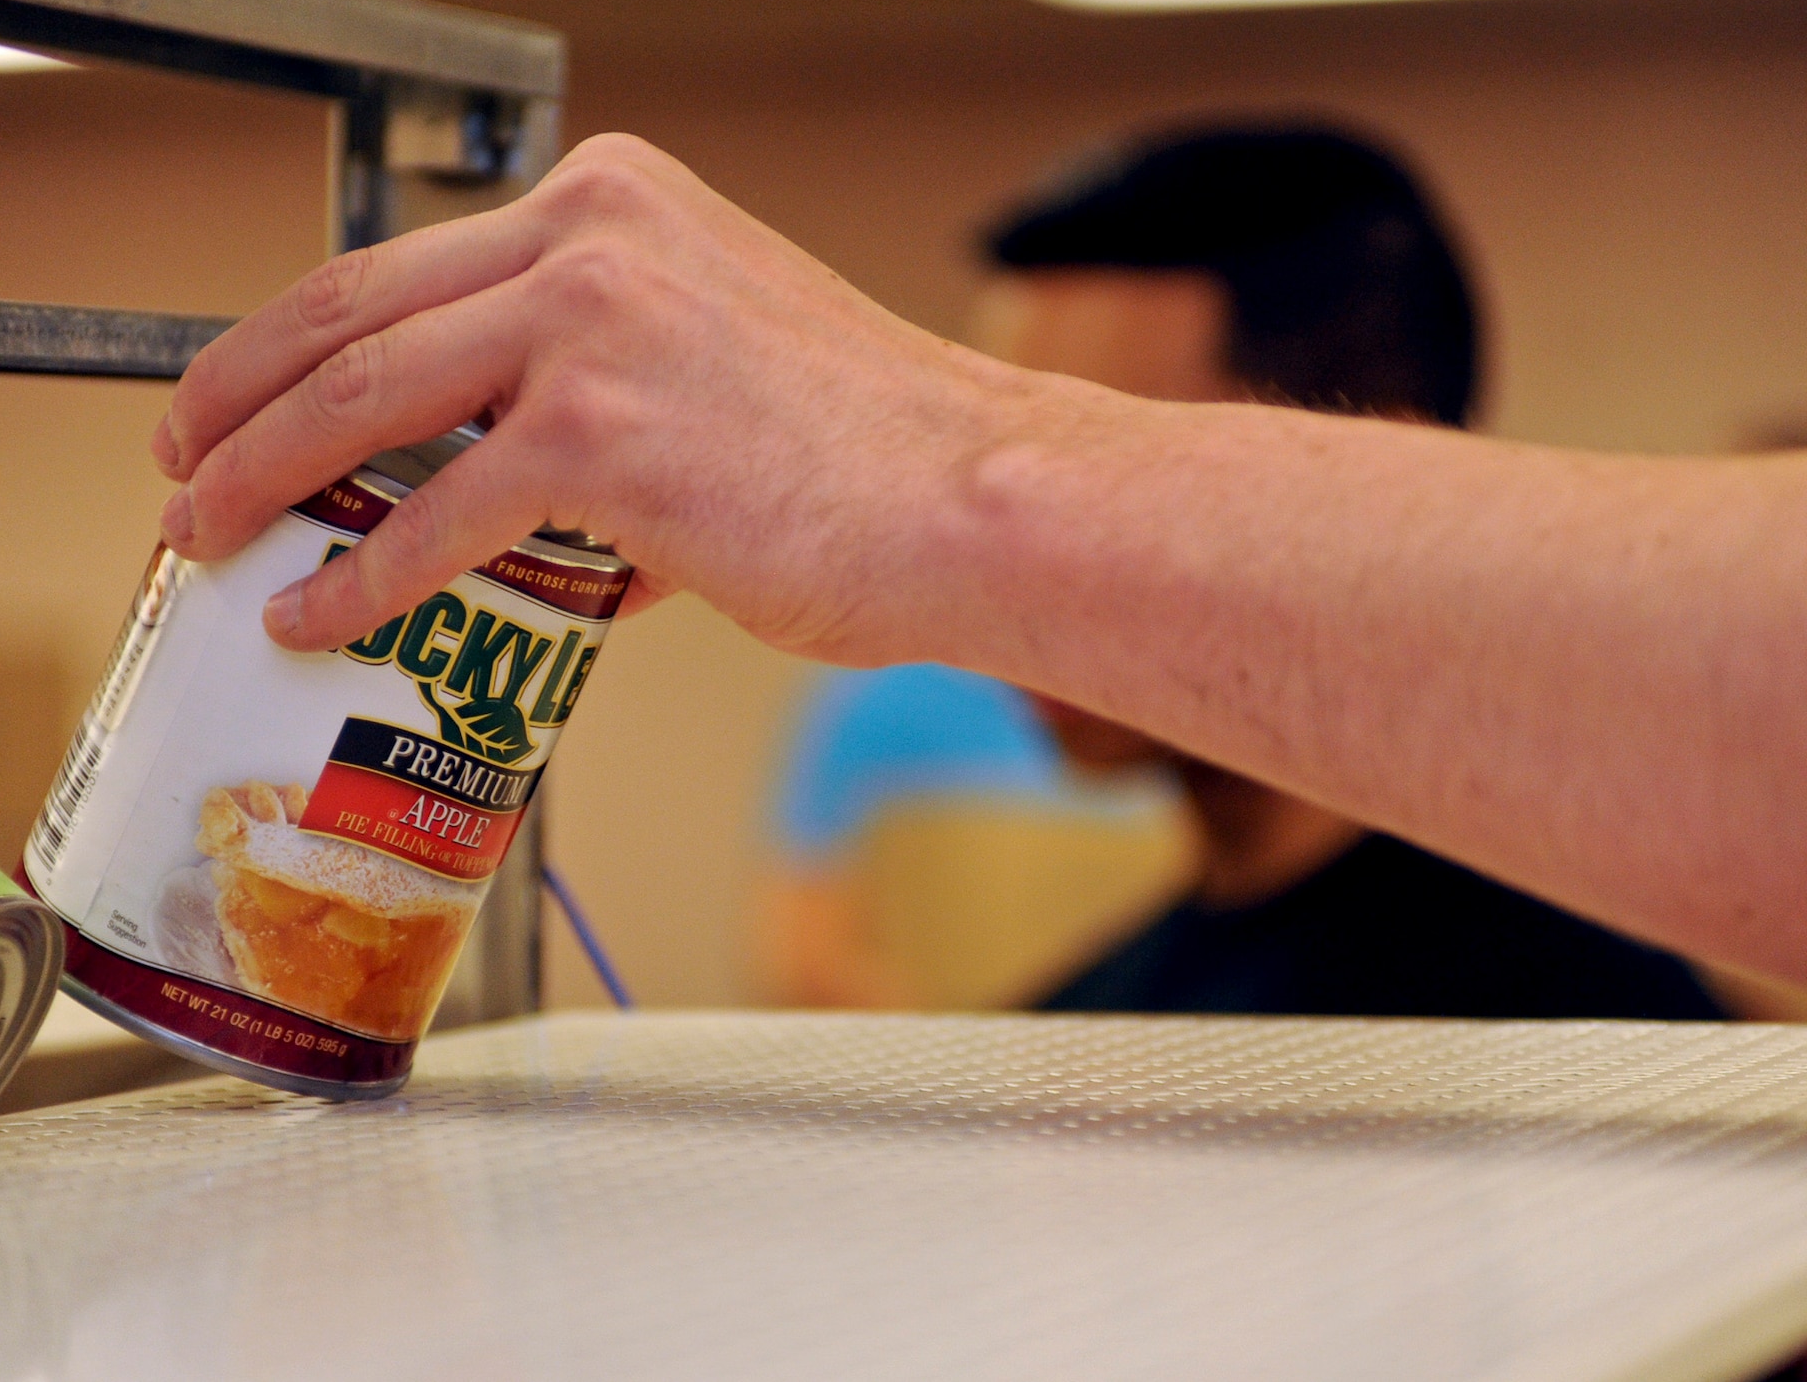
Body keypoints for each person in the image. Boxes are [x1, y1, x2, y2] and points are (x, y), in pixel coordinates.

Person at [148, 132, 1807, 993]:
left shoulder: (1587, 1045)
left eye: (1126, 436)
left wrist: (978, 477)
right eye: (1025, 394)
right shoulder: (1104, 1016)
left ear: (1370, 443)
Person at [773, 125, 1727, 1019]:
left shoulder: (1584, 1034)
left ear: (1367, 479)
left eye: (1099, 480)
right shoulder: (1090, 1027)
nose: (1003, 564)